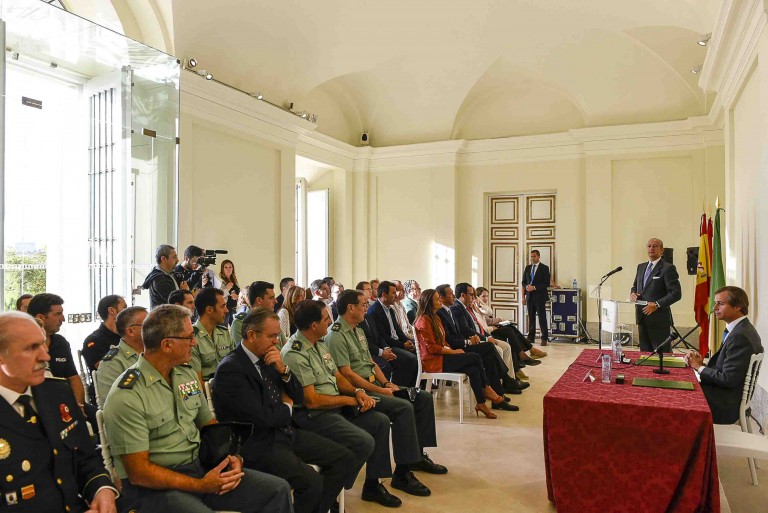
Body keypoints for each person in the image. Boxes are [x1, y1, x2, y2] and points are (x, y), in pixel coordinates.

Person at [103, 305, 292, 513]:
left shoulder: (186, 374)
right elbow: (139, 473)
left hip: (199, 468)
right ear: (167, 345)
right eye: (189, 337)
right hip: (155, 489)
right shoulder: (128, 394)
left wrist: (232, 458)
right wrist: (201, 485)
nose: (194, 342)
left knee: (277, 489)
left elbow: (210, 426)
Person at [213, 308, 357, 513]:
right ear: (252, 335)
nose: (276, 341)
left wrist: (284, 371)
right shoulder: (232, 369)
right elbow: (261, 417)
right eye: (272, 336)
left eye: (277, 336)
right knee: (311, 482)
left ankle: (317, 508)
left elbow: (298, 397)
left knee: (344, 459)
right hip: (257, 443)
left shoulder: (269, 358)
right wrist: (287, 408)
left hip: (283, 432)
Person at [281, 300, 402, 507]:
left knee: (379, 422)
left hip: (336, 407)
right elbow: (312, 401)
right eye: (326, 319)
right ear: (314, 325)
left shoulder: (318, 343)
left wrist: (358, 392)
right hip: (314, 416)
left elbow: (337, 376)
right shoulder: (295, 353)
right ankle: (325, 498)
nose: (329, 321)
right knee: (363, 442)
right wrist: (350, 398)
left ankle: (363, 486)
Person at [0, 312, 118, 513]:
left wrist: (101, 489)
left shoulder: (57, 392)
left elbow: (86, 457)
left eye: (43, 344)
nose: (46, 356)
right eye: (31, 348)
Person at [326, 290, 448, 483]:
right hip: (362, 392)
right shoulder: (336, 335)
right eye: (363, 305)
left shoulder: (358, 330)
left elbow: (371, 363)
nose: (367, 308)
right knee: (403, 407)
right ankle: (402, 473)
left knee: (422, 397)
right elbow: (347, 375)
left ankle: (417, 456)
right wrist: (380, 390)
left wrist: (386, 383)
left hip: (375, 385)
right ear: (350, 308)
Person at [413, 290, 506, 419]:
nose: (440, 300)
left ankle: (481, 403)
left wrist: (452, 351)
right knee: (475, 356)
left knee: (473, 369)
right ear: (428, 303)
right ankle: (486, 388)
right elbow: (432, 348)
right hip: (433, 361)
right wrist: (453, 352)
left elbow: (443, 341)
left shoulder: (435, 317)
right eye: (436, 299)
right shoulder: (423, 321)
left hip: (442, 356)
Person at [685, 286, 764, 424]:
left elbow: (728, 379)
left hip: (725, 404)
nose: (714, 308)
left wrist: (699, 368)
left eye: (720, 304)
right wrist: (702, 364)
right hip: (725, 395)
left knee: (676, 396)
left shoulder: (741, 336)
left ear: (738, 306)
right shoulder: (740, 329)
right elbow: (728, 370)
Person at [435, 285, 514, 399]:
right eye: (450, 293)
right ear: (441, 297)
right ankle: (505, 380)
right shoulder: (442, 313)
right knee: (488, 347)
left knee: (488, 357)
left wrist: (472, 340)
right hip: (456, 349)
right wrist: (468, 342)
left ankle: (498, 394)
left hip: (462, 344)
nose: (453, 296)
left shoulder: (449, 310)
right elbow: (450, 339)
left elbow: (461, 332)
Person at [450, 283, 525, 405]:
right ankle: (506, 380)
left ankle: (499, 394)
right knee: (491, 347)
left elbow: (478, 326)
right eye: (471, 294)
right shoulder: (456, 308)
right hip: (466, 343)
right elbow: (465, 330)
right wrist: (484, 339)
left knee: (493, 354)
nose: (474, 297)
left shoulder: (465, 307)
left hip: (476, 339)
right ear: (463, 295)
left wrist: (486, 337)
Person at [630, 238, 682, 352]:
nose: (651, 248)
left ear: (662, 250)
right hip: (642, 317)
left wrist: (657, 304)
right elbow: (635, 286)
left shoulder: (668, 268)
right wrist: (633, 293)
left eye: (655, 246)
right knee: (645, 354)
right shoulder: (641, 267)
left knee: (662, 355)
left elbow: (676, 293)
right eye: (649, 246)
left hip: (658, 319)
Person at [366, 281, 419, 387]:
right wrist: (402, 345)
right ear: (384, 294)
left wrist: (406, 340)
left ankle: (413, 388)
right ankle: (399, 389)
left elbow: (397, 330)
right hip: (388, 345)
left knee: (418, 355)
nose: (395, 295)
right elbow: (382, 335)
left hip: (396, 342)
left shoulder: (390, 309)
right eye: (393, 293)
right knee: (410, 359)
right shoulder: (374, 311)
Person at [95, 306, 147, 408]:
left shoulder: (156, 353)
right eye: (148, 325)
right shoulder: (112, 363)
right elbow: (112, 405)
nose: (156, 329)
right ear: (131, 331)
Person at [192, 288, 235, 384]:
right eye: (222, 306)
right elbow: (197, 381)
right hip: (208, 394)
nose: (226, 310)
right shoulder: (191, 338)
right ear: (209, 310)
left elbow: (235, 364)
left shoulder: (224, 333)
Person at [82, 295, 126, 373]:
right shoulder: (94, 340)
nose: (128, 312)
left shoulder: (126, 335)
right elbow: (105, 369)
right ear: (112, 311)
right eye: (124, 308)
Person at [142, 244, 187, 309]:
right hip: (163, 318)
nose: (177, 260)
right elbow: (174, 301)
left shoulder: (169, 274)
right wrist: (184, 291)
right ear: (163, 259)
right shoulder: (160, 279)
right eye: (174, 257)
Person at [521, 249, 551, 346]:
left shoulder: (545, 268)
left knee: (542, 318)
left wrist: (534, 287)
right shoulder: (528, 268)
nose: (532, 258)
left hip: (540, 297)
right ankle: (531, 337)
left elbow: (546, 283)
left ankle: (544, 338)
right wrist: (526, 288)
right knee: (531, 317)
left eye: (534, 256)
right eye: (531, 256)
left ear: (538, 257)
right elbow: (523, 281)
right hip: (529, 297)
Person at [218, 259, 240, 325]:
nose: (228, 269)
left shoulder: (234, 280)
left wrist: (237, 296)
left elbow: (240, 294)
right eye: (226, 267)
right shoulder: (220, 280)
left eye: (230, 267)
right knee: (223, 329)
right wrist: (227, 289)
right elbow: (218, 295)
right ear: (222, 269)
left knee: (236, 328)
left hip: (234, 309)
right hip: (224, 309)